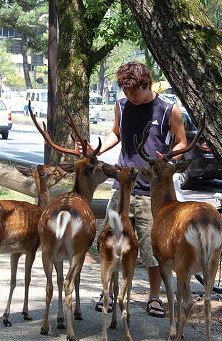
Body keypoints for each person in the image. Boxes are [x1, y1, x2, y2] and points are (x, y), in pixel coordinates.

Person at [90, 61, 188, 318]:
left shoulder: (168, 109)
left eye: (134, 92)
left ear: (147, 84)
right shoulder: (121, 106)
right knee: (110, 240)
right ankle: (108, 293)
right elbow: (117, 133)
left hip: (151, 193)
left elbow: (181, 142)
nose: (129, 97)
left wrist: (168, 160)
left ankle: (154, 297)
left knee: (151, 248)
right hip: (122, 187)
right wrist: (98, 150)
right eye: (125, 92)